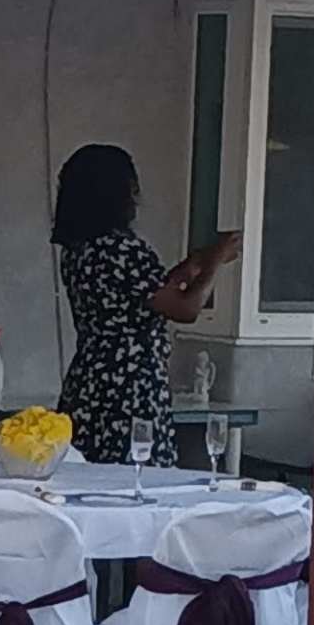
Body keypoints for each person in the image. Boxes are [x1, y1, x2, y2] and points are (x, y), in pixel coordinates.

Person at [52, 145, 237, 466]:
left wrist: (194, 266)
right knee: (138, 479)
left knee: (83, 475)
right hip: (132, 387)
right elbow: (185, 309)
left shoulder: (79, 250)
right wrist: (216, 262)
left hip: (88, 382)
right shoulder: (124, 248)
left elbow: (146, 294)